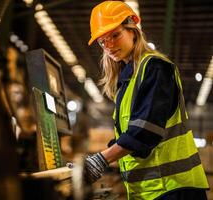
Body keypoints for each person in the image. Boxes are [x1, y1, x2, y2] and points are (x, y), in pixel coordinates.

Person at [83, 1, 209, 200]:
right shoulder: (128, 79)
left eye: (115, 35)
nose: (109, 46)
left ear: (133, 29)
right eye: (103, 41)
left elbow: (144, 132)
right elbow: (129, 134)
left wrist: (101, 159)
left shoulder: (155, 68)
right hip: (152, 190)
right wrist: (101, 155)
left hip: (173, 189)